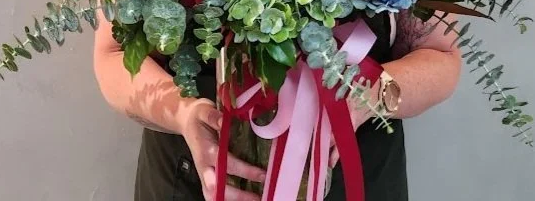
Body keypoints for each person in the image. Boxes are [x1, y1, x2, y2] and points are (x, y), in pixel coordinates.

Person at [94, 10, 461, 201]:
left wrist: (369, 95)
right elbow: (113, 55)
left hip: (355, 174)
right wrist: (184, 113)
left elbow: (441, 57)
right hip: (191, 174)